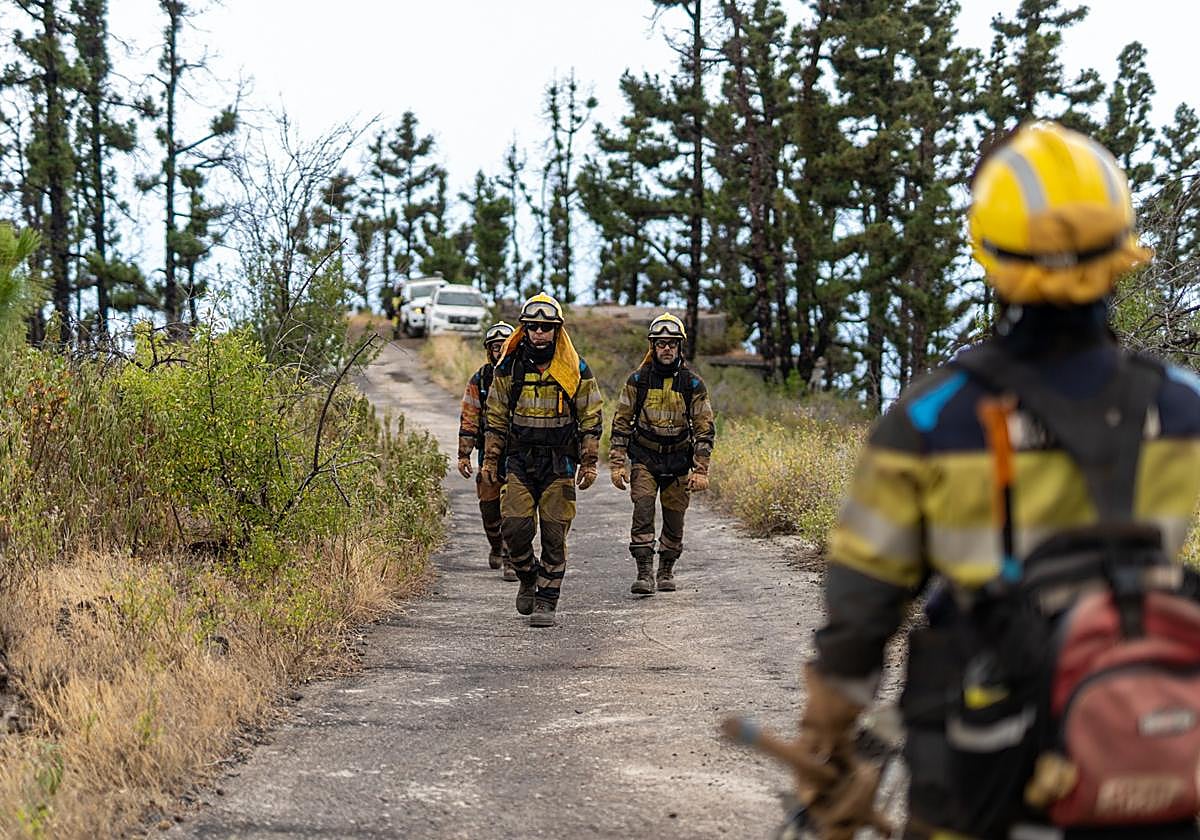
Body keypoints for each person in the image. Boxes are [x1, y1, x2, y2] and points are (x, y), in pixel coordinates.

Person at [788, 122, 1200, 839]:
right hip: (1145, 754)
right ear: (1121, 251)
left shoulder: (931, 419)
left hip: (979, 768)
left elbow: (860, 617)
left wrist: (827, 750)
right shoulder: (1182, 406)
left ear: (988, 251)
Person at [481, 293, 603, 627]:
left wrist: (589, 462)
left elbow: (591, 415)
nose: (538, 333)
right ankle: (527, 576)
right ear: (525, 329)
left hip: (559, 464)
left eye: (545, 328)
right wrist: (491, 461)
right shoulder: (508, 365)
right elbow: (495, 415)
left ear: (556, 331)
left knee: (553, 534)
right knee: (515, 527)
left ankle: (546, 599)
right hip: (519, 461)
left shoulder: (574, 368)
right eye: (533, 327)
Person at [609, 313, 715, 595]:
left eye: (671, 343)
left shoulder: (692, 384)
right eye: (660, 343)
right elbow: (621, 423)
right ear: (652, 347)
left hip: (679, 460)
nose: (666, 348)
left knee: (674, 518)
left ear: (680, 347)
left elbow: (704, 429)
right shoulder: (637, 381)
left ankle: (666, 568)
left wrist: (701, 469)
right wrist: (617, 464)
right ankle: (644, 573)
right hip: (645, 457)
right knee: (642, 510)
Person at [457, 321, 517, 581]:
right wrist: (463, 454)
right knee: (490, 508)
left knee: (514, 509)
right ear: (488, 350)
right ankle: (495, 543)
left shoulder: (523, 374)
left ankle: (510, 557)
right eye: (495, 347)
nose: (500, 351)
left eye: (504, 346)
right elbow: (469, 417)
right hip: (488, 453)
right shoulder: (480, 379)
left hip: (517, 453)